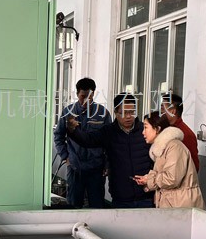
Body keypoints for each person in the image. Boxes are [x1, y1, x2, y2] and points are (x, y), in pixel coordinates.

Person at [67, 93, 155, 208]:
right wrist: (73, 130)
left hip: (146, 197)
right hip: (121, 198)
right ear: (115, 112)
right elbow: (88, 140)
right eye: (124, 112)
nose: (129, 116)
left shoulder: (145, 130)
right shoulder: (109, 132)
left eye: (132, 112)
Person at [53, 78, 111, 208]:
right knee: (74, 206)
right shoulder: (68, 112)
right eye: (82, 97)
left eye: (89, 97)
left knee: (97, 206)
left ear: (93, 94)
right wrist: (65, 156)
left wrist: (107, 164)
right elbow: (58, 136)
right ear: (77, 94)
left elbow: (109, 141)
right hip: (75, 168)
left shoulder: (103, 113)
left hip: (96, 169)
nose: (85, 101)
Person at [133, 111, 205, 209]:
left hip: (180, 204)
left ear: (157, 129)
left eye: (146, 127)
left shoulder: (174, 147)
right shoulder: (162, 148)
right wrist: (147, 179)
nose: (143, 132)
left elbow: (172, 179)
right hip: (173, 202)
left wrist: (149, 180)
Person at [161, 93, 200, 172]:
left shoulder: (186, 134)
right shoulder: (164, 129)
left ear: (173, 111)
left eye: (162, 109)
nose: (160, 112)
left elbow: (193, 166)